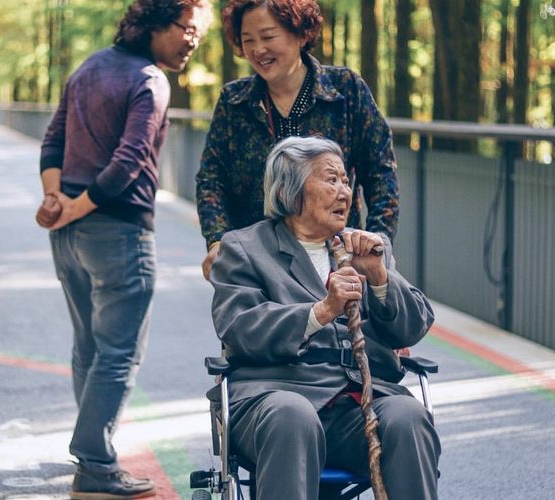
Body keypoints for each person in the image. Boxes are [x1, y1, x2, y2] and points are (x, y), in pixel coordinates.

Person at [36, 1, 212, 498]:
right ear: (157, 24)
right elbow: (130, 160)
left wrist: (57, 199)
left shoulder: (87, 68)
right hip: (117, 232)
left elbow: (53, 143)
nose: (192, 41)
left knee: (88, 347)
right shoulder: (151, 80)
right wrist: (76, 206)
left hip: (68, 235)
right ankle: (94, 461)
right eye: (188, 30)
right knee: (119, 354)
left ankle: (92, 452)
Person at [208, 136, 440, 500]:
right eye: (331, 180)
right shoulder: (244, 248)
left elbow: (413, 327)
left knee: (407, 416)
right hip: (277, 395)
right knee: (292, 416)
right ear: (292, 189)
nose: (345, 191)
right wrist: (321, 312)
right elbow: (239, 328)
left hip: (358, 406)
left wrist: (380, 278)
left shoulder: (365, 247)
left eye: (346, 181)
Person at [196, 0, 399, 280]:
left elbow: (380, 172)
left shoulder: (346, 90)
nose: (257, 50)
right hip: (256, 262)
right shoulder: (233, 101)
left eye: (268, 37)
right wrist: (218, 241)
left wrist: (378, 242)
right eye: (248, 41)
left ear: (301, 34)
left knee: (337, 323)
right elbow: (211, 179)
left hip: (336, 260)